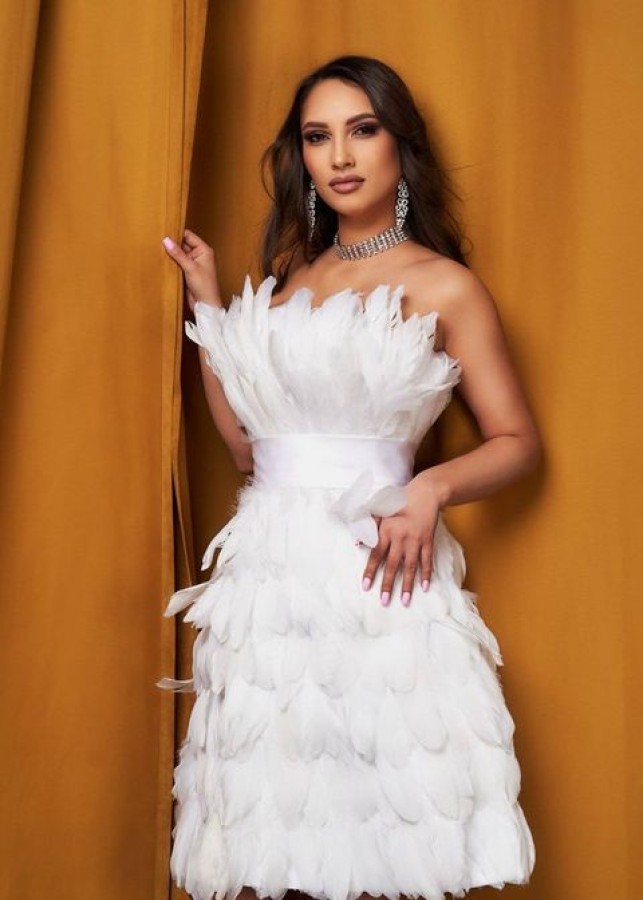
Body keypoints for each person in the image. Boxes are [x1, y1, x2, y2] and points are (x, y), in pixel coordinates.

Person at [158, 54, 541, 900]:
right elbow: (249, 449)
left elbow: (517, 441)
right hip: (268, 591)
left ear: (400, 145)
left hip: (377, 576)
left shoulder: (443, 285)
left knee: (385, 838)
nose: (338, 156)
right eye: (317, 136)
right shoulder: (290, 282)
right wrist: (210, 306)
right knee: (266, 842)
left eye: (362, 130)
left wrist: (429, 489)